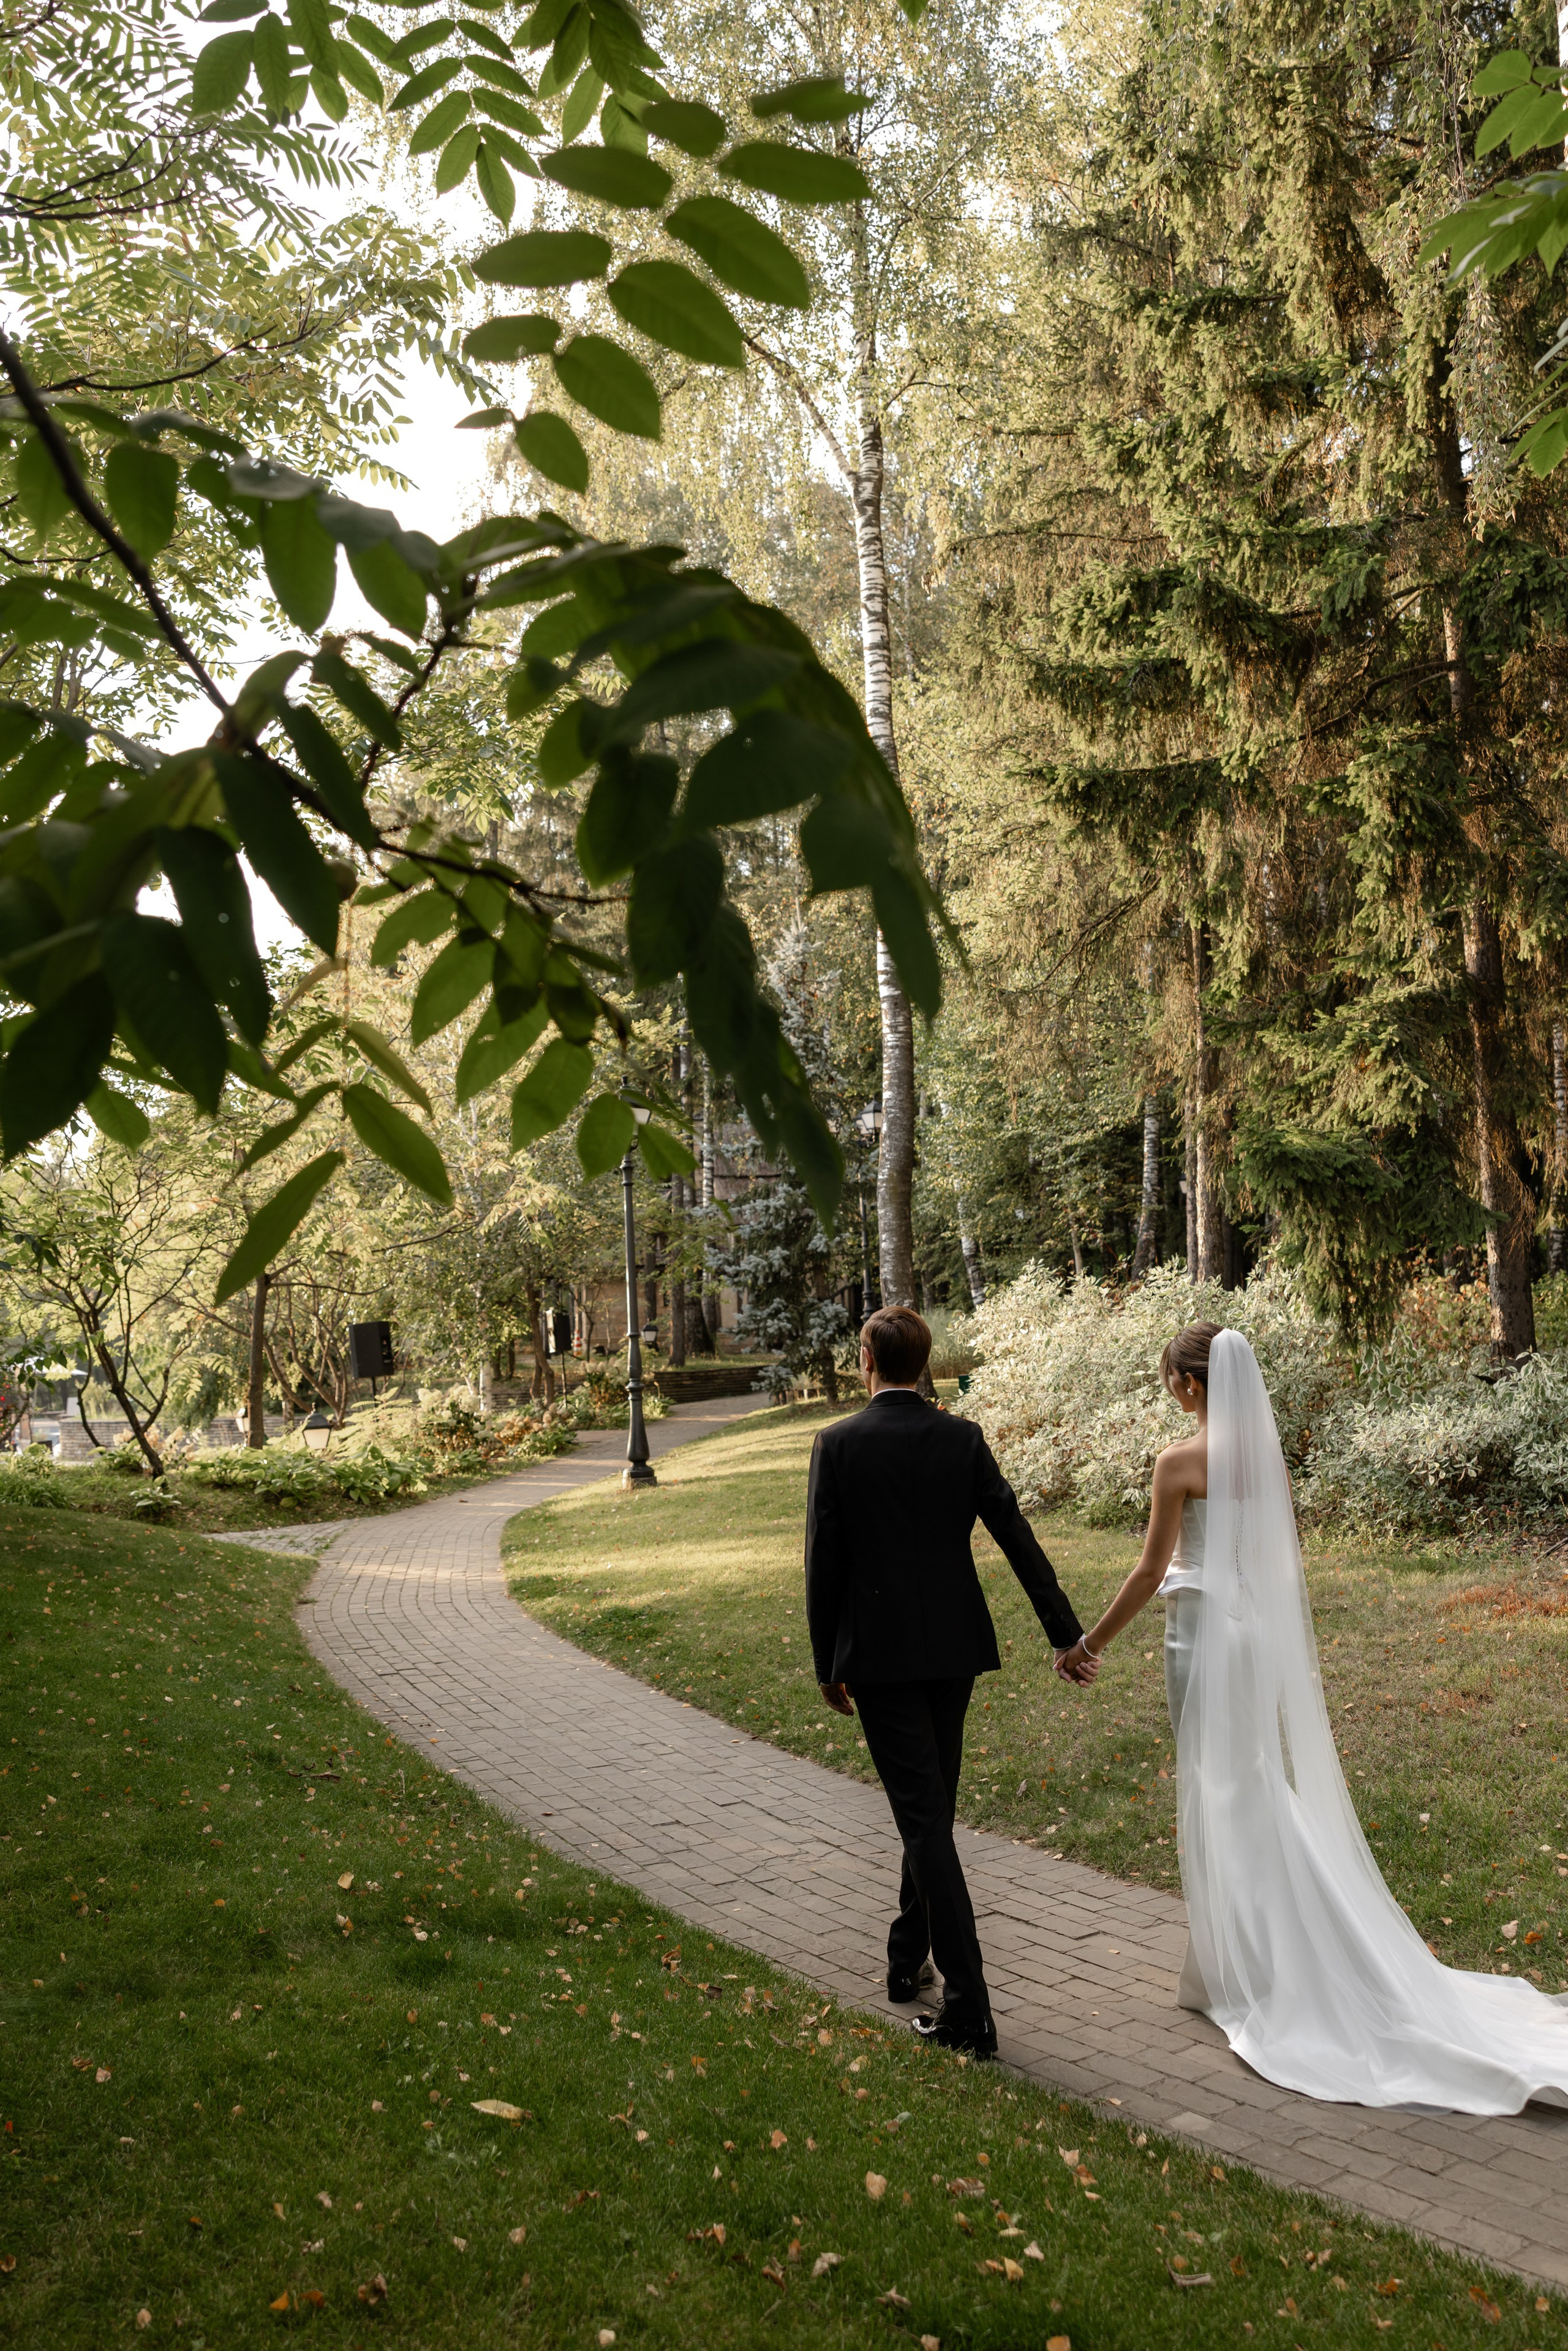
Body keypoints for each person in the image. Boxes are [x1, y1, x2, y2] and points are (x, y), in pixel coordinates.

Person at [1069, 1320, 1568, 2113]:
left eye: (1170, 1378)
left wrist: (1087, 1642)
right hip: (1250, 1636)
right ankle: (1245, 1957)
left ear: (1191, 1384)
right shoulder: (1263, 1459)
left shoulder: (1178, 1462)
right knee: (1250, 1785)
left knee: (1222, 1791)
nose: (1169, 1388)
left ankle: (1261, 1964)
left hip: (1199, 1635)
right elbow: (1275, 1561)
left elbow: (1150, 1568)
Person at [804, 1304, 1093, 2059]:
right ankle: (907, 1958)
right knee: (929, 1810)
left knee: (925, 1818)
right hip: (953, 1649)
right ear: (924, 1362)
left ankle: (968, 2011)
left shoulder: (837, 1443)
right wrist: (1063, 1631)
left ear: (867, 1359)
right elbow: (1015, 1534)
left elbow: (823, 1562)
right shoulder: (960, 1438)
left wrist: (827, 1662)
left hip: (879, 1657)